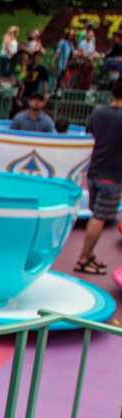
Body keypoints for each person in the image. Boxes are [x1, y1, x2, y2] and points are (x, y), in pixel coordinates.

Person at [76, 78, 122, 275]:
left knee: (96, 215)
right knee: (99, 218)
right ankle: (83, 259)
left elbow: (90, 134)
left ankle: (89, 254)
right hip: (112, 176)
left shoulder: (98, 112)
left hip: (94, 173)